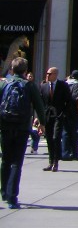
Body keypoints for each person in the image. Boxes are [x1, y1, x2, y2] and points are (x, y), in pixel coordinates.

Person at [1, 56, 47, 209]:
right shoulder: (29, 85)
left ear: (12, 69)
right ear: (25, 71)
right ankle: (13, 197)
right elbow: (39, 106)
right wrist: (42, 123)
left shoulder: (3, 84)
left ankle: (4, 192)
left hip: (5, 126)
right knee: (16, 162)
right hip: (22, 127)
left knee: (5, 160)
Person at [39, 66, 73, 172]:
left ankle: (56, 161)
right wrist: (39, 118)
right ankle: (50, 161)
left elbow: (69, 101)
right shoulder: (43, 86)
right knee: (49, 138)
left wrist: (64, 113)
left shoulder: (63, 85)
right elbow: (40, 103)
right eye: (47, 74)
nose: (47, 76)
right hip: (48, 116)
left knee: (56, 137)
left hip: (59, 115)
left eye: (50, 74)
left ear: (55, 75)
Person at [63, 69, 78, 160]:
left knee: (65, 132)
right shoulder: (77, 85)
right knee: (75, 133)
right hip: (73, 112)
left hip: (63, 111)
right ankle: (75, 153)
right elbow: (75, 98)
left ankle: (65, 152)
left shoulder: (65, 83)